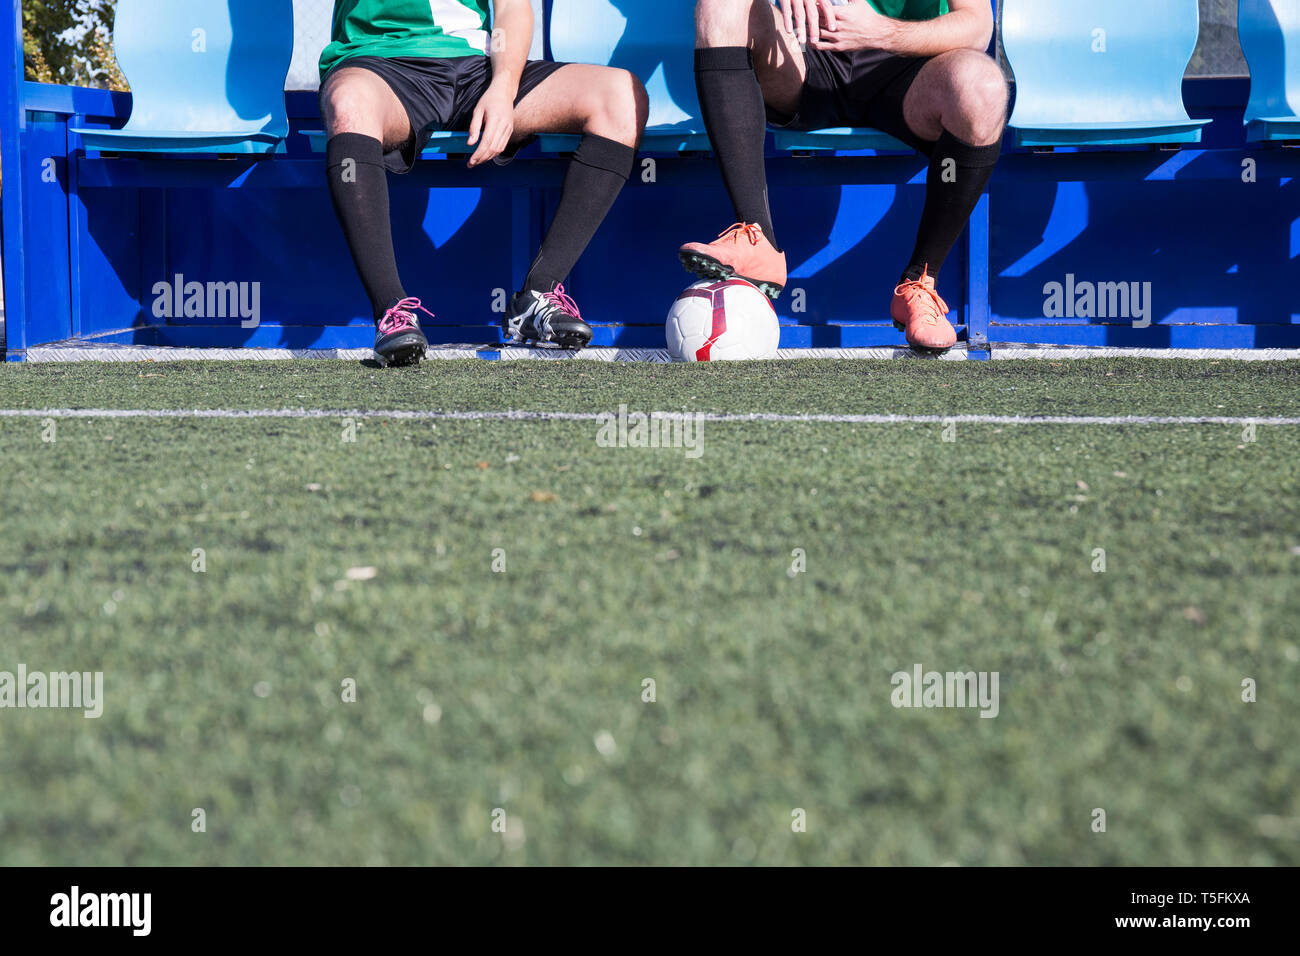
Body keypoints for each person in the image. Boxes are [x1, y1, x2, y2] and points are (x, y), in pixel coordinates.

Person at [320, 0, 649, 365]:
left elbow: (512, 8)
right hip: (381, 64)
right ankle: (391, 311)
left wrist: (503, 89)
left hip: (479, 68)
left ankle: (536, 296)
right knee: (349, 103)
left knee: (620, 96)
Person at [679, 0, 1006, 352]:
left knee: (983, 87)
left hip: (911, 69)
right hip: (802, 54)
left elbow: (976, 26)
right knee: (721, 5)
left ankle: (920, 283)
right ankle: (755, 237)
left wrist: (882, 32)